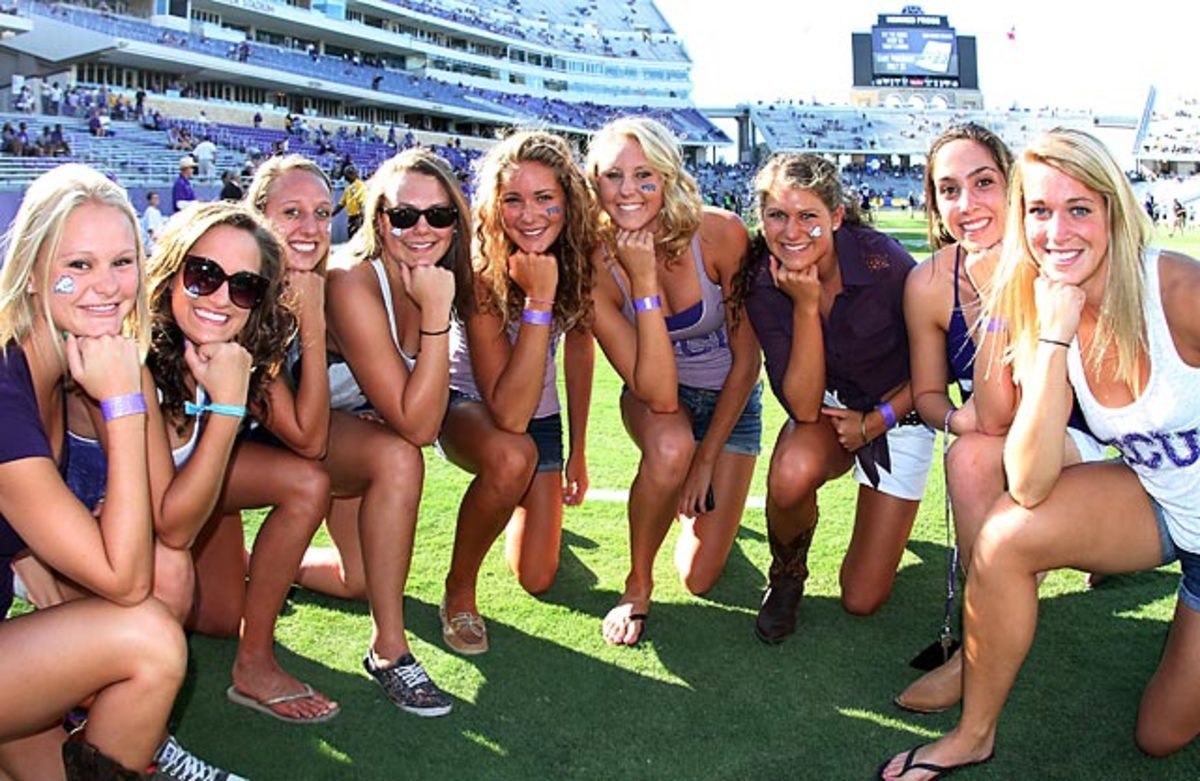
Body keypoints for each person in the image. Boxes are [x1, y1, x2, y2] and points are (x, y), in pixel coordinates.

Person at [877, 128, 1200, 779]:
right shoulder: (1040, 301)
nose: (1058, 231)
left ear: (1113, 208)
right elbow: (1024, 481)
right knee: (1003, 536)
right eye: (1040, 211)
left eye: (1079, 208)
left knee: (1160, 734)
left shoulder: (1178, 290)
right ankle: (973, 734)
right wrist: (1051, 337)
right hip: (1166, 506)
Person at [0, 163, 213, 780]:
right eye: (79, 265)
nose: (108, 286)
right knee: (148, 638)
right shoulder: (11, 385)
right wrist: (123, 404)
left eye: (122, 263)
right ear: (34, 273)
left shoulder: (44, 365)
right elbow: (124, 581)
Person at [895, 123, 1107, 713]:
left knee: (976, 456)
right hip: (1001, 438)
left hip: (1083, 435)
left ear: (1011, 183)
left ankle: (975, 649)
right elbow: (931, 395)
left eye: (983, 182)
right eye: (949, 189)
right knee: (972, 450)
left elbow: (1001, 412)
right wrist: (956, 421)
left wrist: (999, 297)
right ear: (934, 203)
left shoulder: (1053, 254)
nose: (967, 204)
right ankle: (980, 628)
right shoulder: (928, 283)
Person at [142, 201, 339, 725]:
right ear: (170, 272)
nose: (222, 299)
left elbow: (310, 440)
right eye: (203, 275)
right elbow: (170, 527)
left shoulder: (238, 347)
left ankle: (254, 662)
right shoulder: (135, 355)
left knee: (225, 615)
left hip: (178, 505)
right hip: (89, 539)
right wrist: (229, 407)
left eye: (244, 286)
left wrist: (313, 321)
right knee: (172, 573)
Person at [734, 152, 933, 644]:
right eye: (776, 215)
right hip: (830, 407)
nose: (791, 231)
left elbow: (938, 367)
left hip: (902, 411)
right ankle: (786, 575)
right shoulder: (764, 278)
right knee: (790, 472)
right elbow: (803, 408)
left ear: (837, 217)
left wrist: (880, 419)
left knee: (861, 599)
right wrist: (804, 307)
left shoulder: (883, 262)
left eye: (808, 217)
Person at [296, 148, 470, 708]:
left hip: (345, 429)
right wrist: (438, 318)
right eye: (404, 216)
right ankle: (389, 651)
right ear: (379, 221)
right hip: (289, 432)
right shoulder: (351, 280)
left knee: (359, 581)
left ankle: (256, 567)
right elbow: (419, 426)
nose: (422, 229)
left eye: (439, 216)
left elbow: (415, 407)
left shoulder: (438, 276)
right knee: (400, 455)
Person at [585, 117, 762, 646]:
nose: (629, 190)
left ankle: (706, 509)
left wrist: (706, 460)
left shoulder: (721, 233)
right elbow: (656, 392)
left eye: (645, 175)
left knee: (700, 578)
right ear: (595, 183)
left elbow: (747, 359)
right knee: (670, 447)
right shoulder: (596, 265)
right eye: (613, 176)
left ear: (668, 175)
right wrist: (642, 278)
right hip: (658, 399)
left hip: (731, 400)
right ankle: (637, 583)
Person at [437, 130, 595, 655]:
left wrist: (578, 450)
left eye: (544, 198)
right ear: (494, 205)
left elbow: (578, 349)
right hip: (471, 408)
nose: (529, 215)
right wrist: (539, 298)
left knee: (538, 576)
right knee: (511, 455)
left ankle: (525, 506)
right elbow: (505, 412)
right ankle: (459, 590)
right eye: (513, 200)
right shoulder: (479, 272)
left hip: (541, 417)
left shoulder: (577, 255)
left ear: (567, 201)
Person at [333, 165, 367, 238]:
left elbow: (363, 204)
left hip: (358, 218)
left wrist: (362, 219)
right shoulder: (348, 188)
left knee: (357, 241)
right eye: (346, 174)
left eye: (349, 173)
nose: (346, 176)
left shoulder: (360, 186)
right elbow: (341, 204)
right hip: (351, 218)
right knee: (352, 239)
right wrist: (331, 214)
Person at [142, 191, 164, 257]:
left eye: (157, 198)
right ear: (150, 200)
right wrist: (155, 240)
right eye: (154, 198)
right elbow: (150, 229)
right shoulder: (149, 212)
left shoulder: (157, 212)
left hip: (159, 242)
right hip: (152, 244)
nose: (156, 200)